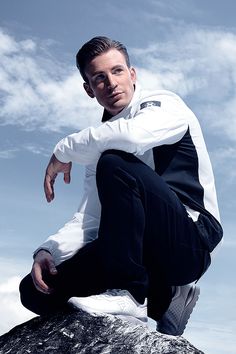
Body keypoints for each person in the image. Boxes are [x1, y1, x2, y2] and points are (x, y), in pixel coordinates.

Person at [20, 36, 223, 336]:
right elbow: (89, 219)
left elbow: (131, 137)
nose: (111, 83)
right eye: (99, 78)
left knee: (115, 160)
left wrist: (62, 149)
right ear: (89, 89)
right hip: (136, 251)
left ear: (132, 74)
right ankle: (165, 301)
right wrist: (48, 251)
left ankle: (131, 295)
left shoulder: (165, 104)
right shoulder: (101, 142)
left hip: (189, 242)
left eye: (117, 71)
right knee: (36, 289)